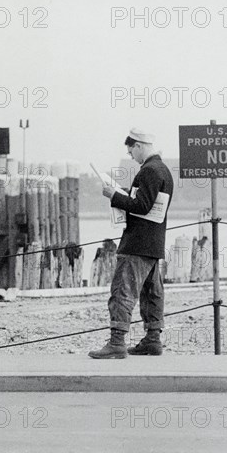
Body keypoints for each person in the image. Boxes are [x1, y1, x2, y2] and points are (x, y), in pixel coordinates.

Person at [89, 128, 174, 359]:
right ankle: (152, 340)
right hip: (154, 243)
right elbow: (147, 201)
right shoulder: (163, 169)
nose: (131, 157)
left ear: (138, 145)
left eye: (131, 152)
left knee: (122, 292)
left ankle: (117, 342)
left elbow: (142, 206)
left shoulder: (148, 171)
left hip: (137, 243)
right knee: (152, 293)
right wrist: (125, 192)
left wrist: (114, 196)